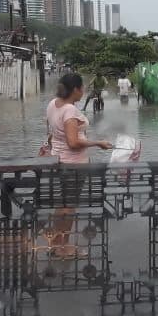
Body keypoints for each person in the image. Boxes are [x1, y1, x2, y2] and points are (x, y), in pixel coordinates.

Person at [44, 73, 112, 256]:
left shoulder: (53, 104)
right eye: (82, 88)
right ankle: (63, 248)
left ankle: (56, 243)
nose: (83, 91)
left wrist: (52, 143)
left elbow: (51, 132)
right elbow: (73, 142)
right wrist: (98, 143)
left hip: (58, 160)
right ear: (75, 89)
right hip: (73, 165)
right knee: (68, 206)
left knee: (62, 204)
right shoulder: (69, 111)